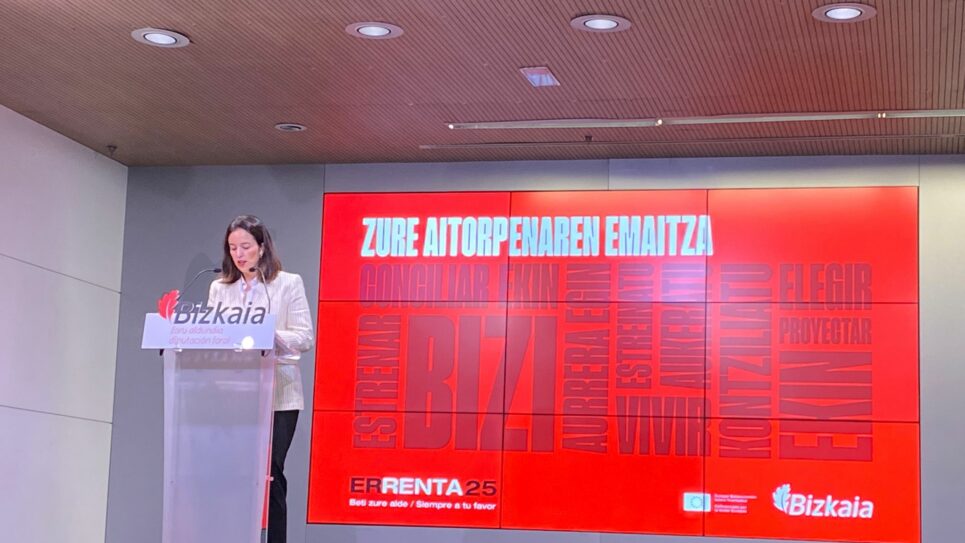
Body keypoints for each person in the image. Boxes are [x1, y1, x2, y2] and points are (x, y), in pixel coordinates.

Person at [207, 214, 313, 543]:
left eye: (246, 246)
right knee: (237, 472)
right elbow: (212, 335)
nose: (239, 254)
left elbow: (305, 337)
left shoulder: (287, 283)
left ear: (262, 247)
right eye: (232, 248)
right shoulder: (220, 288)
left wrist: (270, 335)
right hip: (235, 392)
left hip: (279, 393)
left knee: (271, 472)